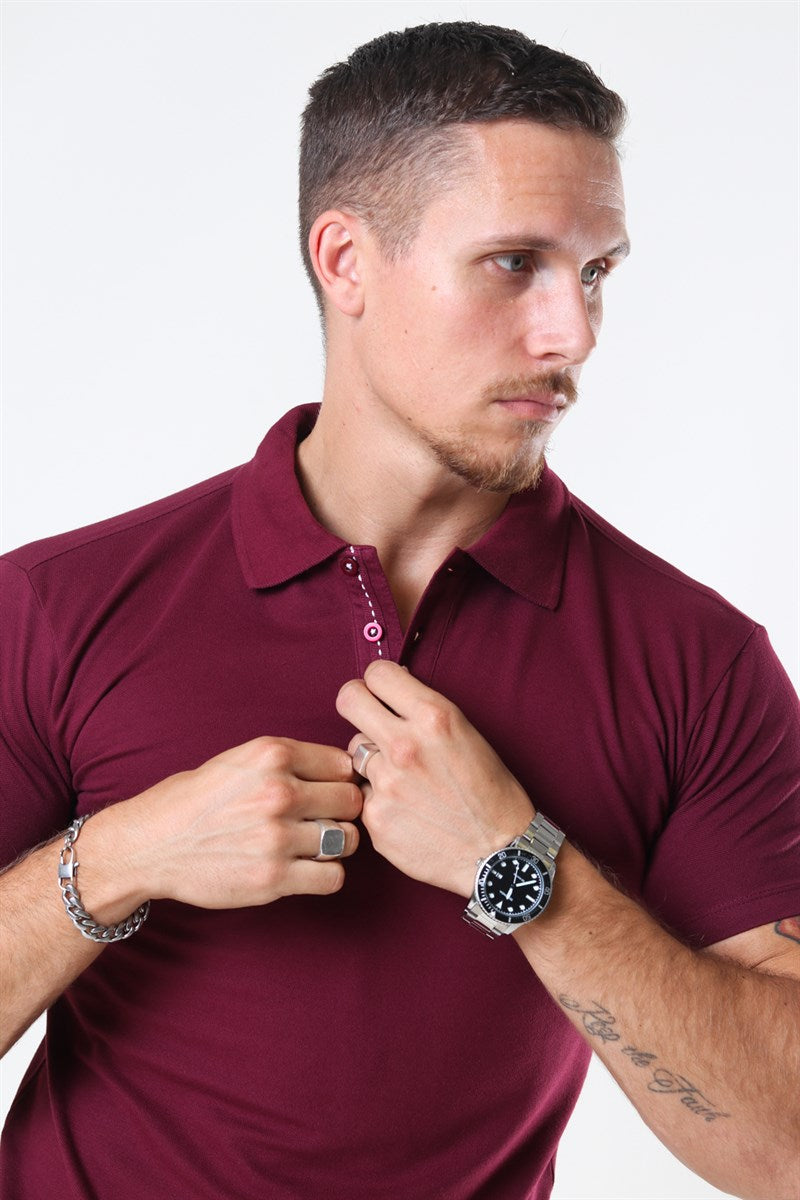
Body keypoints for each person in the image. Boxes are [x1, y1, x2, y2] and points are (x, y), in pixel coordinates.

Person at [1, 20, 798, 1200]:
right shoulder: (58, 604)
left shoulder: (695, 661)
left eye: (594, 273)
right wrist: (121, 857)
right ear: (345, 262)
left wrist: (517, 866)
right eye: (513, 263)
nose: (571, 335)